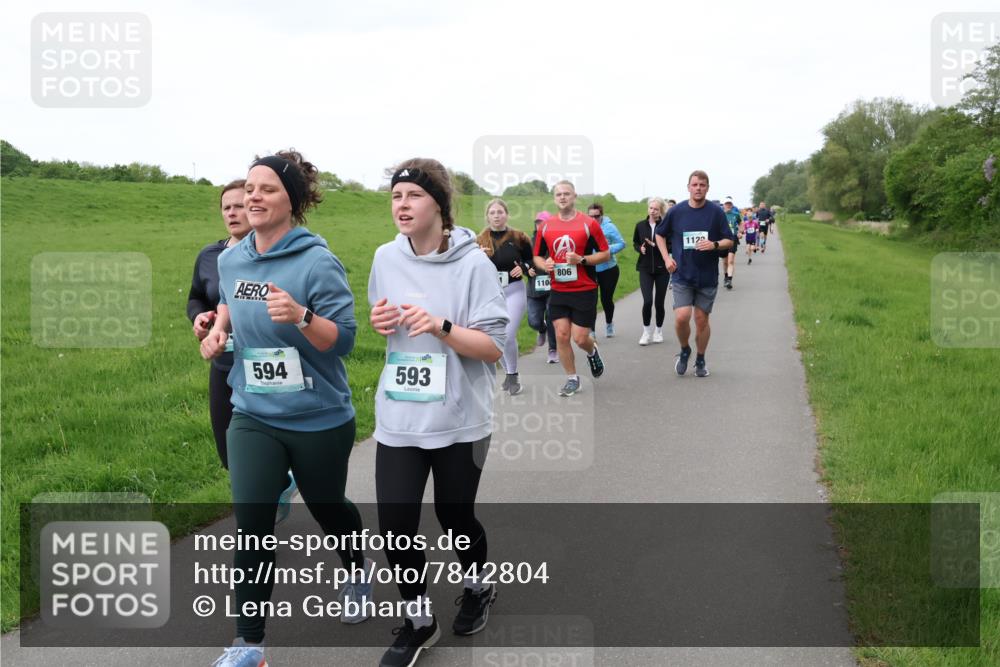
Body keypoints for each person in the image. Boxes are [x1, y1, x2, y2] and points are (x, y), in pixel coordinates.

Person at [201, 150, 373, 667]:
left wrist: (301, 316)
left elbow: (342, 341)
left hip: (317, 416)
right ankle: (249, 645)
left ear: (292, 201)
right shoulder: (232, 258)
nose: (253, 196)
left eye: (267, 188)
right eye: (250, 188)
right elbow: (231, 304)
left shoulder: (317, 261)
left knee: (329, 506)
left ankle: (355, 566)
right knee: (252, 522)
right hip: (252, 411)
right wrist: (216, 331)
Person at [369, 158, 508, 667]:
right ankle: (420, 619)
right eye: (395, 196)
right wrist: (380, 320)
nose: (401, 206)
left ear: (440, 206)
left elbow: (494, 347)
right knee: (396, 525)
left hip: (461, 418)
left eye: (413, 196)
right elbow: (380, 315)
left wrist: (443, 327)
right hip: (400, 415)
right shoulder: (385, 257)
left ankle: (478, 585)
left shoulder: (474, 265)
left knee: (455, 515)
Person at [188, 180, 298, 522]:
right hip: (224, 364)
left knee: (269, 446)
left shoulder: (279, 256)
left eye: (239, 205)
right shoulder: (211, 256)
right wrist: (201, 318)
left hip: (269, 364)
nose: (233, 212)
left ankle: (258, 518)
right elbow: (197, 297)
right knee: (228, 450)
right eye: (227, 207)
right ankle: (278, 486)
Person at [532, 180, 611, 397]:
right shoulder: (546, 227)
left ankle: (592, 350)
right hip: (558, 289)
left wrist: (582, 259)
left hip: (584, 288)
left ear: (574, 196)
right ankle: (572, 379)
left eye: (567, 193)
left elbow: (605, 253)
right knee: (562, 335)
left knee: (580, 338)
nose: (563, 197)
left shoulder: (589, 224)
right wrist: (544, 264)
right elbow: (537, 255)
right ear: (554, 198)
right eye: (559, 194)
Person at [655, 170, 734, 378]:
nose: (698, 188)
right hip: (682, 274)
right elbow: (659, 235)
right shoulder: (677, 211)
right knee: (682, 317)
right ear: (688, 187)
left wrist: (714, 244)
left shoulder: (716, 212)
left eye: (702, 185)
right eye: (695, 184)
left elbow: (729, 240)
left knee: (701, 320)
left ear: (708, 188)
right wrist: (666, 258)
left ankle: (700, 358)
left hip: (707, 276)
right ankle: (684, 350)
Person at [477, 198, 533, 395]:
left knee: (507, 335)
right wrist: (479, 259)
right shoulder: (480, 240)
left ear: (506, 214)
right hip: (491, 294)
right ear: (487, 216)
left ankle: (513, 374)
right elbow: (469, 269)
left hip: (514, 291)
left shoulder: (519, 237)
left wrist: (524, 268)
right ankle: (510, 374)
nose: (496, 216)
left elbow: (532, 260)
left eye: (500, 212)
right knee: (495, 337)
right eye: (492, 213)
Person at [633, 197, 670, 345]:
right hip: (645, 268)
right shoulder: (640, 225)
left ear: (660, 210)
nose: (652, 211)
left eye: (656, 209)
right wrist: (640, 248)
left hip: (662, 269)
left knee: (659, 303)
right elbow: (635, 242)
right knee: (647, 301)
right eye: (651, 208)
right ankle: (646, 332)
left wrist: (658, 245)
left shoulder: (666, 226)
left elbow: (672, 245)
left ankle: (658, 331)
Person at [586, 203, 625, 338]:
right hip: (590, 269)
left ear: (601, 215)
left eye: (596, 216)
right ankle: (592, 331)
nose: (593, 219)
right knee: (591, 300)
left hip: (608, 269)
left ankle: (609, 323)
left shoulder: (609, 227)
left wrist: (607, 250)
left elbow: (621, 243)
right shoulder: (584, 228)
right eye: (590, 216)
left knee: (606, 299)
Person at [526, 211, 558, 364]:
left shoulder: (556, 241)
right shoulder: (528, 242)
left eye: (543, 222)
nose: (540, 225)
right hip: (534, 288)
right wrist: (527, 269)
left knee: (552, 316)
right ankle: (541, 329)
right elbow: (521, 260)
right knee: (533, 320)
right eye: (538, 222)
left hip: (553, 287)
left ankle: (553, 349)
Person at [721, 197, 743, 289]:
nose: (728, 205)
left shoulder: (736, 214)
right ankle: (726, 276)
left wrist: (740, 232)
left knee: (730, 261)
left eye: (730, 204)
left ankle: (729, 280)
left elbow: (741, 223)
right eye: (727, 204)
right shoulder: (720, 215)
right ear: (724, 205)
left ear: (732, 205)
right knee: (725, 262)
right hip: (722, 239)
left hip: (733, 238)